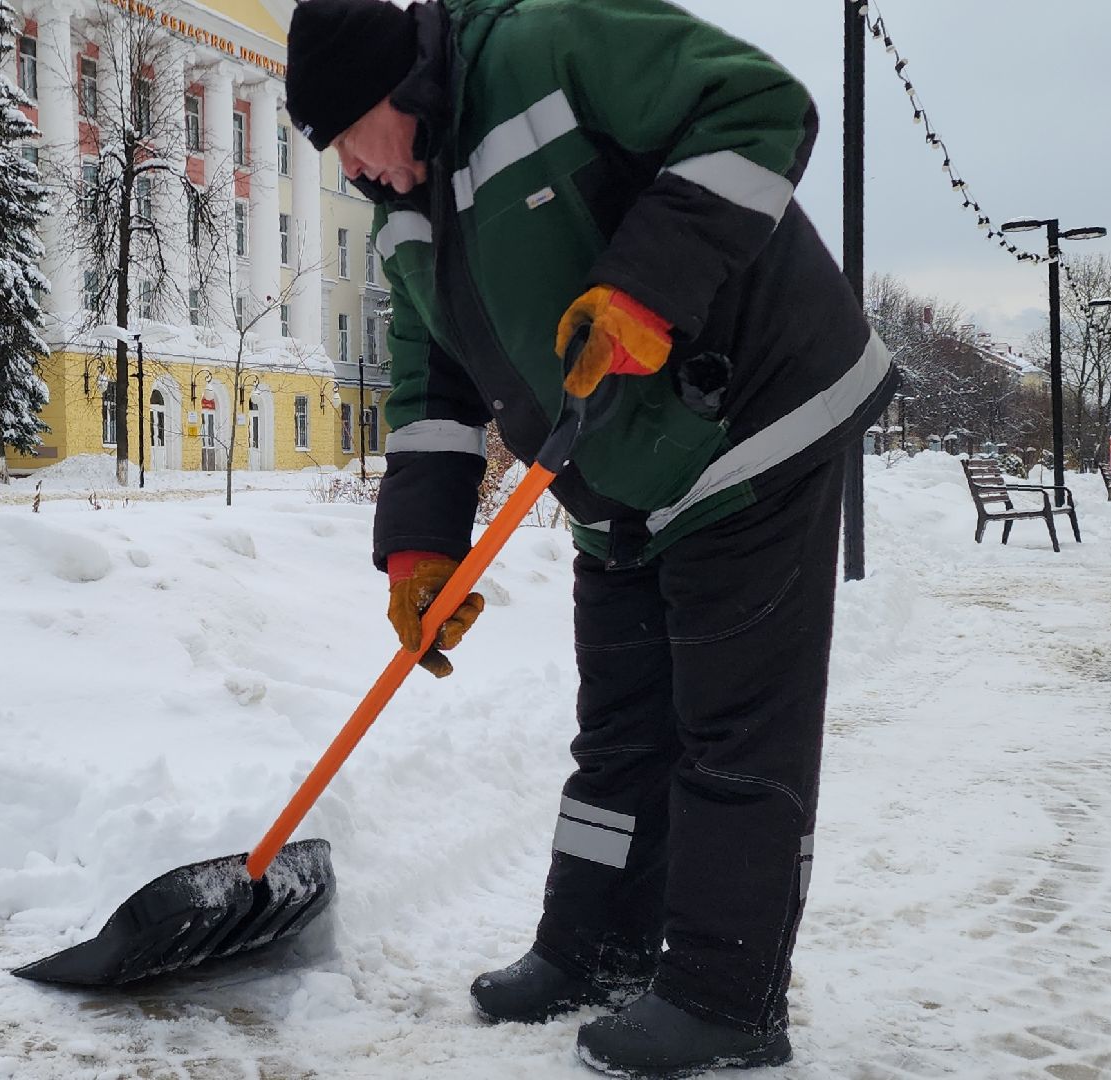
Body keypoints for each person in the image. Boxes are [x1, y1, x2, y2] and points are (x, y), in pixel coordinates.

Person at [283, 0, 898, 1074]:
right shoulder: (405, 219)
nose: (350, 167)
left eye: (344, 137)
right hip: (615, 468)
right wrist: (420, 550)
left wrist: (645, 289)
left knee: (728, 729)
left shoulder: (542, 45)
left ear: (390, 93)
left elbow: (759, 105)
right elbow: (431, 394)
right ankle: (594, 948)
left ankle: (724, 997)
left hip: (751, 419)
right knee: (618, 729)